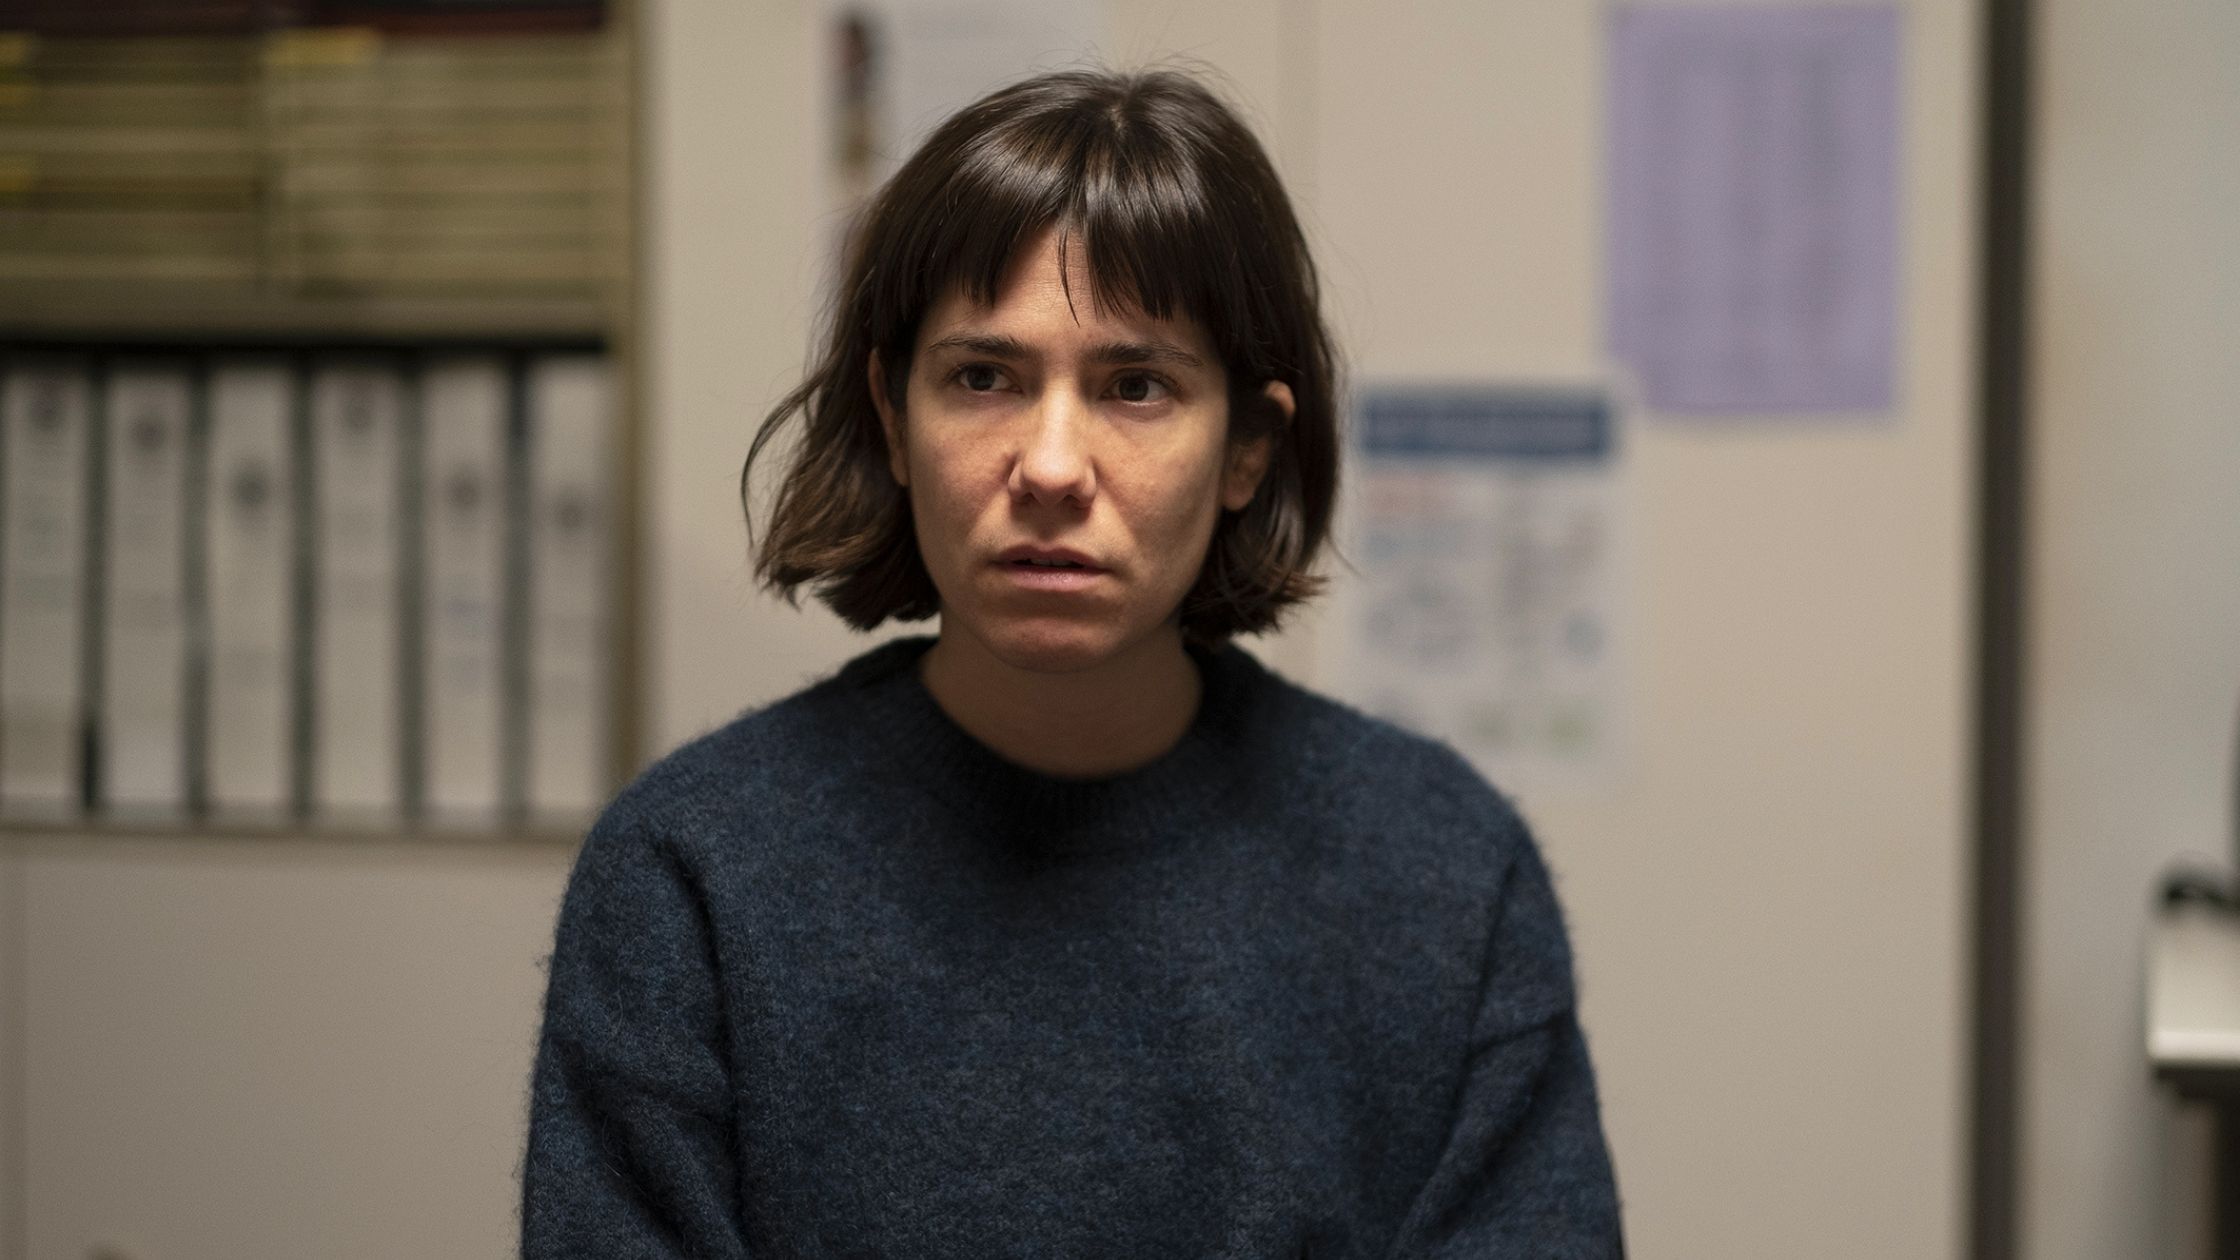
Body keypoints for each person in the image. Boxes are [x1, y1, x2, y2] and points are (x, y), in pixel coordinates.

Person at [521, 68, 1622, 1257]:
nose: (1049, 466)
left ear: (1247, 449)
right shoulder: (693, 876)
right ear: (892, 418)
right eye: (982, 378)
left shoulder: (1438, 875)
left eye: (1134, 387)